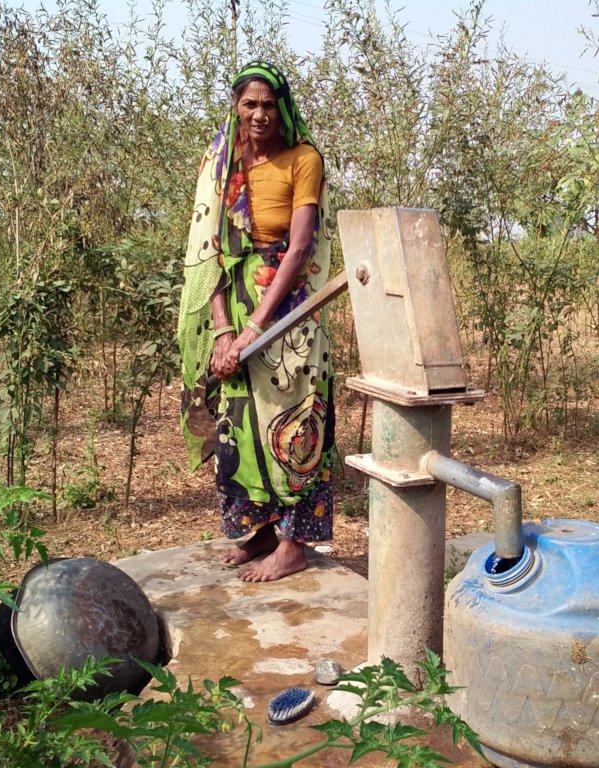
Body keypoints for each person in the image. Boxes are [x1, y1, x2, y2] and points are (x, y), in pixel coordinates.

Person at [177, 60, 334, 583]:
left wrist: (256, 328)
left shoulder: (303, 159)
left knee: (294, 423)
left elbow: (299, 248)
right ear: (236, 108)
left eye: (269, 104)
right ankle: (262, 531)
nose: (260, 114)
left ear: (282, 107)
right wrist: (223, 329)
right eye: (250, 104)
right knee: (239, 422)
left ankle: (292, 545)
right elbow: (211, 250)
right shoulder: (223, 166)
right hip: (234, 305)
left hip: (287, 310)